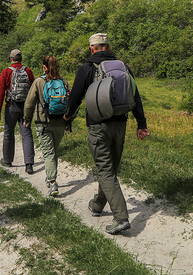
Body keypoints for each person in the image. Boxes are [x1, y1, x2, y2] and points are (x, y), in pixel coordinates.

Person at [63, 33, 149, 235]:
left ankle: (121, 218)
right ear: (108, 47)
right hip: (120, 125)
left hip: (98, 125)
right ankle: (97, 205)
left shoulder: (86, 68)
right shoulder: (123, 67)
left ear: (92, 48)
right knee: (111, 168)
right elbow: (135, 96)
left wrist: (67, 116)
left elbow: (74, 97)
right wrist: (141, 124)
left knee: (105, 170)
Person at [23, 55, 69, 197]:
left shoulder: (39, 82)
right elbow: (70, 104)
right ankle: (50, 178)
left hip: (43, 123)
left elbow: (29, 104)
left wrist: (27, 119)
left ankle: (52, 181)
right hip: (60, 123)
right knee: (53, 152)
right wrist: (68, 122)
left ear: (44, 67)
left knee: (48, 154)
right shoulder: (64, 82)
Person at [0, 49, 36, 174]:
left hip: (11, 106)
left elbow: (1, 91)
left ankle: (7, 160)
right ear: (21, 59)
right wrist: (33, 108)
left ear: (11, 59)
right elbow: (33, 90)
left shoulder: (6, 72)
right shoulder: (28, 71)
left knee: (9, 133)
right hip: (25, 107)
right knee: (26, 134)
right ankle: (29, 164)